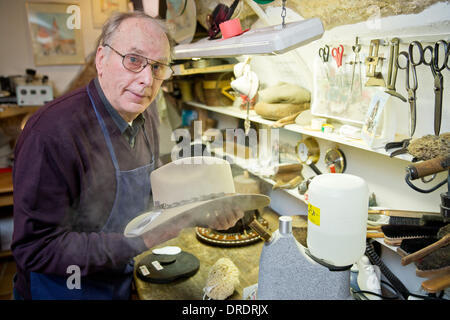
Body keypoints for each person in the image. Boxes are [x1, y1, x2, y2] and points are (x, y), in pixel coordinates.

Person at [11, 11, 244, 300]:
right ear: (101, 59)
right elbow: (36, 248)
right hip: (63, 290)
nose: (147, 79)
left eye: (158, 66)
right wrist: (140, 240)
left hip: (117, 278)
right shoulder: (50, 134)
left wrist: (199, 211)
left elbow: (150, 192)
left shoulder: (145, 117)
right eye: (134, 60)